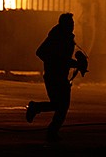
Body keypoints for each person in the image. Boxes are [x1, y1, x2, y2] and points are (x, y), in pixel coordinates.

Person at [25, 12, 88, 142]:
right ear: (63, 24)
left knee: (59, 105)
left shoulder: (67, 38)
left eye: (72, 24)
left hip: (60, 76)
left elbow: (63, 59)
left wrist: (74, 63)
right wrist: (55, 62)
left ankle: (37, 110)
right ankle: (50, 131)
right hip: (54, 76)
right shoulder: (55, 38)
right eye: (70, 24)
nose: (72, 26)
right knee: (61, 106)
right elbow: (40, 52)